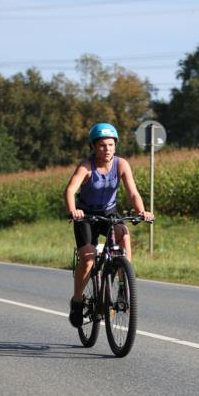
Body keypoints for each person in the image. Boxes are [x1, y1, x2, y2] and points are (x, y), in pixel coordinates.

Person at [64, 122, 153, 327]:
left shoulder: (121, 164)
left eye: (111, 145)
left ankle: (123, 285)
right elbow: (70, 190)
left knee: (124, 234)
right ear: (94, 146)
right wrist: (73, 210)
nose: (107, 149)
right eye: (102, 145)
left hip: (109, 212)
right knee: (87, 259)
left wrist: (142, 211)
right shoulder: (86, 166)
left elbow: (133, 193)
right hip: (86, 216)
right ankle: (77, 301)